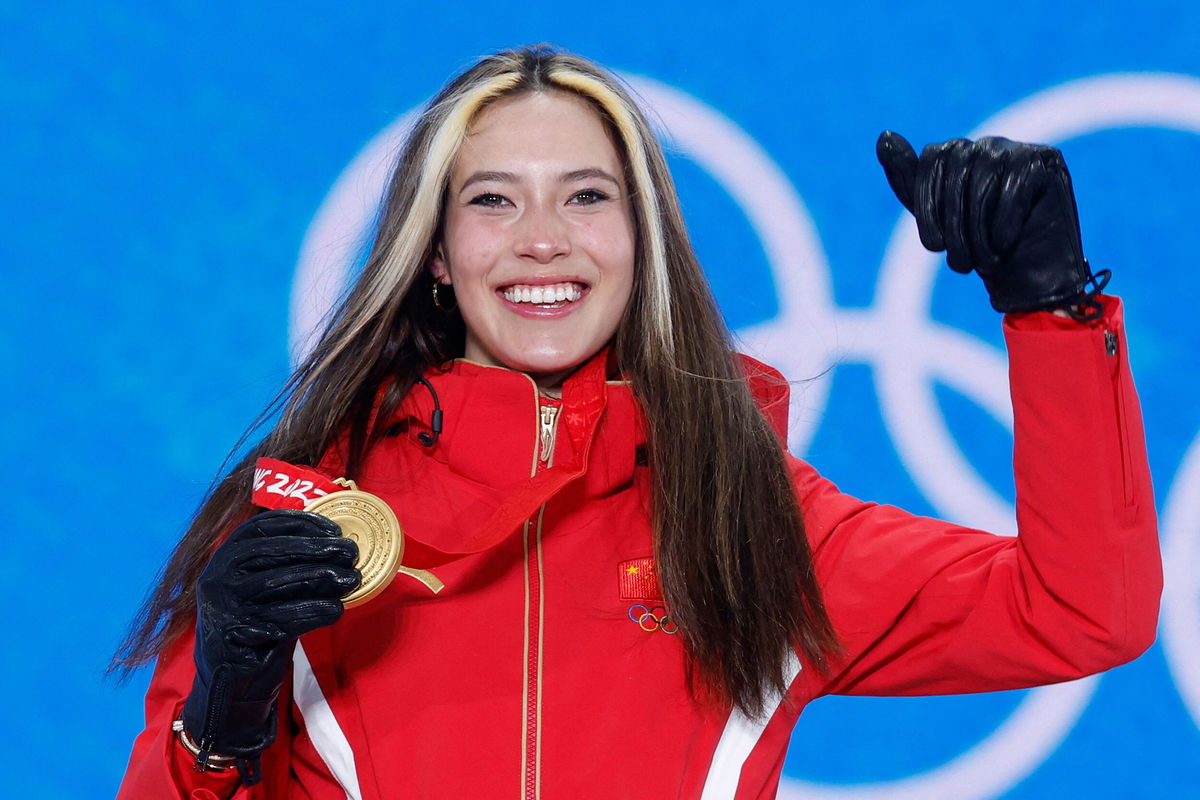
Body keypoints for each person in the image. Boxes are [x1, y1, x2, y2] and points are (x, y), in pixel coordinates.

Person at [114, 45, 1161, 799]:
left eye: (585, 197)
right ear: (435, 251)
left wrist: (1049, 306)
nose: (540, 241)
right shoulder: (315, 520)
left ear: (641, 238)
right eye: (491, 200)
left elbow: (1082, 610)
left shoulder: (750, 525)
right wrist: (221, 716)